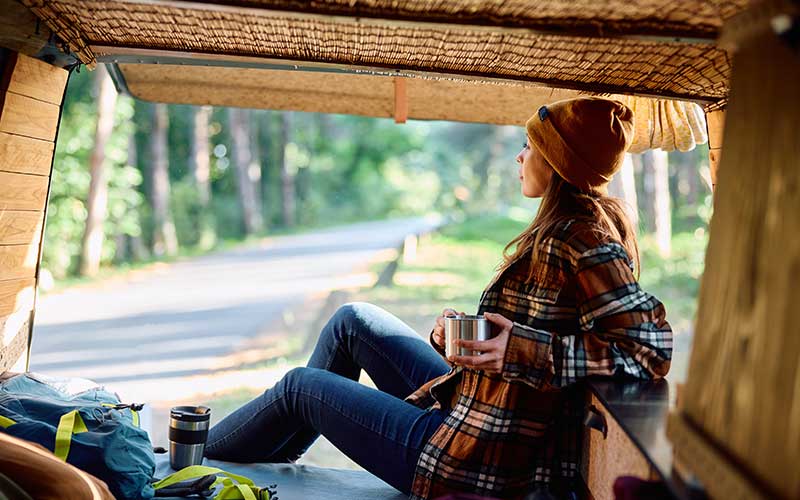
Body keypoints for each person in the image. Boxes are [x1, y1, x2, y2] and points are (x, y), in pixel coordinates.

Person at [203, 97, 673, 500]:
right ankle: (264, 459)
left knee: (299, 387)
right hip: (471, 409)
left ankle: (190, 462)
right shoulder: (560, 231)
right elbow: (530, 338)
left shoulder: (583, 240)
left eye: (530, 145)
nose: (520, 156)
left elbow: (649, 348)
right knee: (353, 320)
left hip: (473, 459)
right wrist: (458, 332)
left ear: (556, 161)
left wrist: (518, 349)